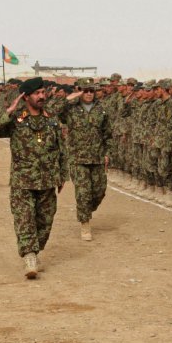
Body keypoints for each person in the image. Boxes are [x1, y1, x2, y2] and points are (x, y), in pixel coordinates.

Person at [0, 77, 67, 279]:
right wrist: (9, 111)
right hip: (22, 180)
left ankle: (35, 249)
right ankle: (29, 256)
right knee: (24, 219)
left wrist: (62, 175)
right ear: (26, 97)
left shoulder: (52, 119)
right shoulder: (16, 120)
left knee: (45, 222)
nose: (42, 96)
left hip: (47, 180)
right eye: (37, 93)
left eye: (43, 93)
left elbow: (62, 149)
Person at [59, 77, 112, 241]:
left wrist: (107, 153)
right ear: (79, 90)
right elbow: (51, 109)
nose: (89, 94)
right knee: (83, 193)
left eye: (91, 90)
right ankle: (85, 224)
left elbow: (107, 134)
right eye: (85, 90)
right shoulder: (70, 110)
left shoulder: (101, 109)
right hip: (77, 158)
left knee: (99, 191)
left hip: (97, 158)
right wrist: (70, 98)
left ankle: (87, 210)